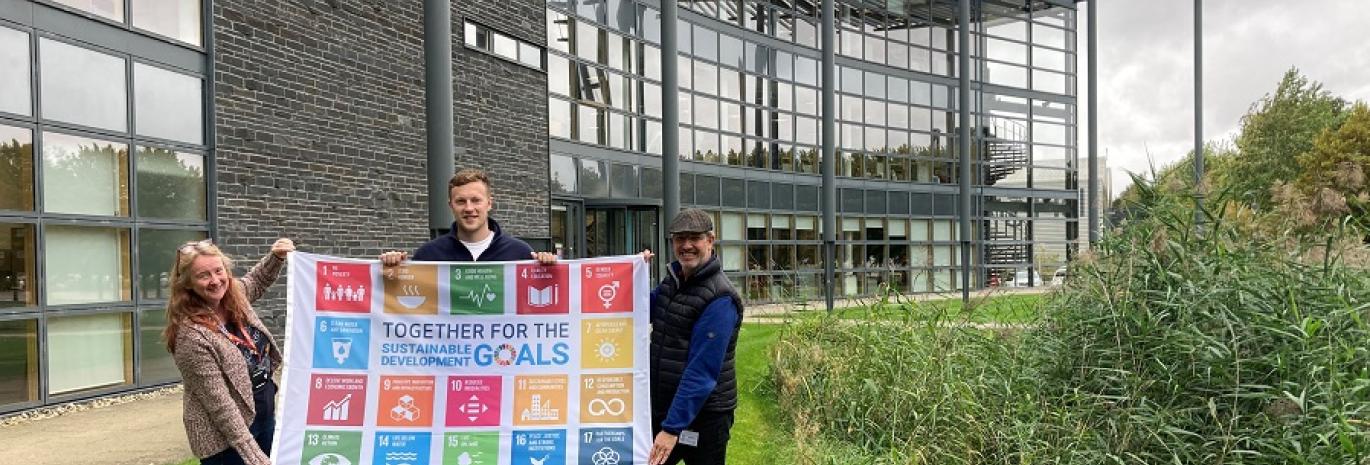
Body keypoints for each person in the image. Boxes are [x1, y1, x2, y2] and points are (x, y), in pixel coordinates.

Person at [164, 238, 295, 465]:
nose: (215, 281)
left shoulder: (234, 298)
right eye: (203, 275)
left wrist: (276, 257)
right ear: (187, 283)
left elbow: (256, 280)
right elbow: (220, 405)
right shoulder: (190, 336)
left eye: (218, 270)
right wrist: (253, 455)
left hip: (264, 417)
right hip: (226, 441)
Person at [647, 209, 744, 465]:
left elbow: (701, 372)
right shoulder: (673, 281)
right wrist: (632, 271)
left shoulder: (720, 298)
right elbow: (637, 310)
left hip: (706, 418)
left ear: (710, 240)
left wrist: (670, 429)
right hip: (666, 409)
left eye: (694, 238)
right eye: (680, 238)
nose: (686, 245)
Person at [380, 169, 556, 266]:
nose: (469, 208)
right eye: (461, 201)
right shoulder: (429, 255)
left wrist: (551, 271)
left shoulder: (520, 253)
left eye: (476, 200)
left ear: (489, 203)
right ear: (451, 205)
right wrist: (392, 270)